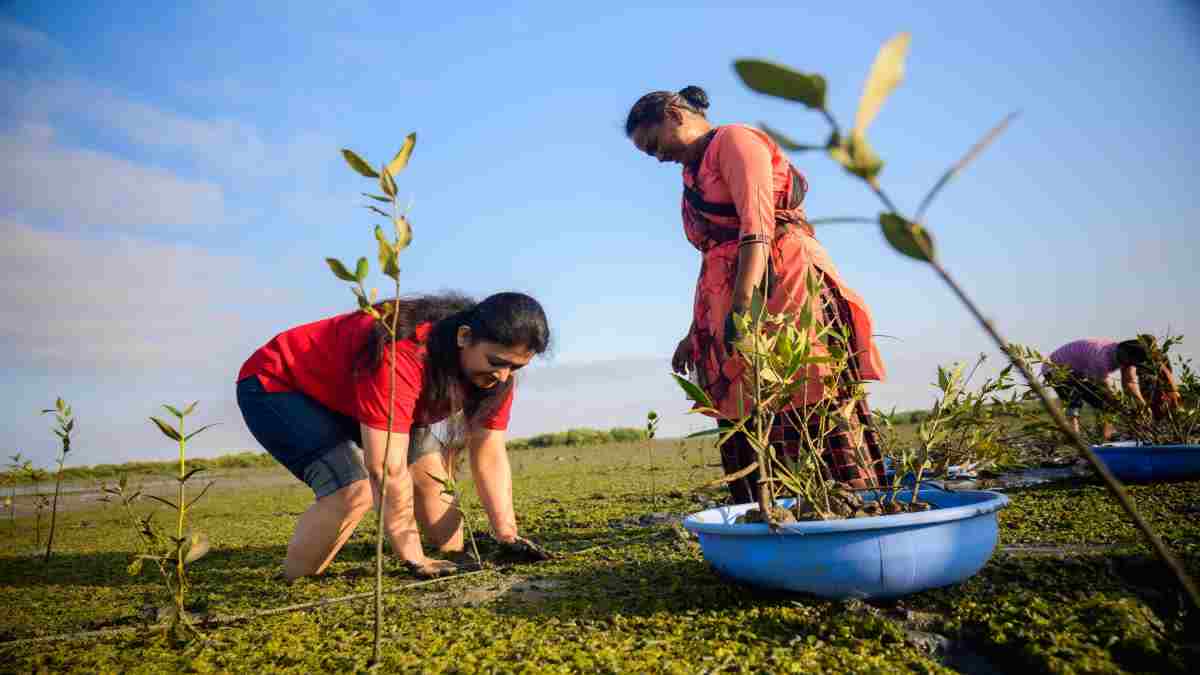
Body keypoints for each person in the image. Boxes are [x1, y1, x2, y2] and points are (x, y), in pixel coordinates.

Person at [625, 86, 888, 504]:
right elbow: (714, 255)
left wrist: (742, 308)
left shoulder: (736, 141)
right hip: (731, 297)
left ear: (675, 114)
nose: (658, 157)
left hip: (784, 282)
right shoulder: (690, 172)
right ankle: (765, 508)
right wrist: (696, 331)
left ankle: (847, 500)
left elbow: (757, 228)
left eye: (654, 144)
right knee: (745, 401)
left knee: (805, 381)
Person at [236, 291, 551, 581]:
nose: (502, 376)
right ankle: (294, 582)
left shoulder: (498, 378)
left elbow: (490, 451)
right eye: (496, 362)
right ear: (464, 336)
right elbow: (385, 467)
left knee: (432, 478)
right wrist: (413, 558)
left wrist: (507, 534)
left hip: (354, 394)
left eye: (515, 367)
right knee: (352, 490)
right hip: (279, 385)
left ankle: (458, 557)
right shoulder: (403, 352)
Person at [1042, 336, 1182, 439]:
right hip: (1055, 369)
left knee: (1105, 405)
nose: (1131, 366)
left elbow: (1130, 383)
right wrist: (1123, 408)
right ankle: (1075, 439)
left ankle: (1105, 439)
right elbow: (1107, 390)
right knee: (1075, 400)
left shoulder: (1125, 355)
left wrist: (1141, 404)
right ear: (1125, 357)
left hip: (1079, 369)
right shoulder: (1101, 359)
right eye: (1131, 363)